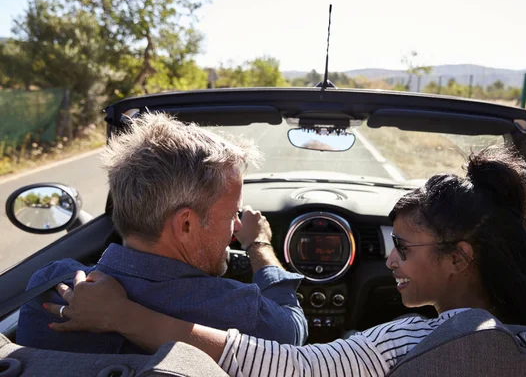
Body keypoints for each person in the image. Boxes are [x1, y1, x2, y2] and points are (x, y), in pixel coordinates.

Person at [46, 146, 526, 376]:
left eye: (403, 247)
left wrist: (124, 316)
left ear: (460, 258)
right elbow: (288, 334)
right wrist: (262, 251)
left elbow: (279, 363)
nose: (392, 260)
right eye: (390, 244)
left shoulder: (401, 340)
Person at [18, 112, 308, 353]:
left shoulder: (53, 287)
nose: (237, 226)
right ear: (186, 225)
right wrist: (259, 244)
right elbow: (293, 332)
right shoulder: (239, 310)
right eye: (233, 214)